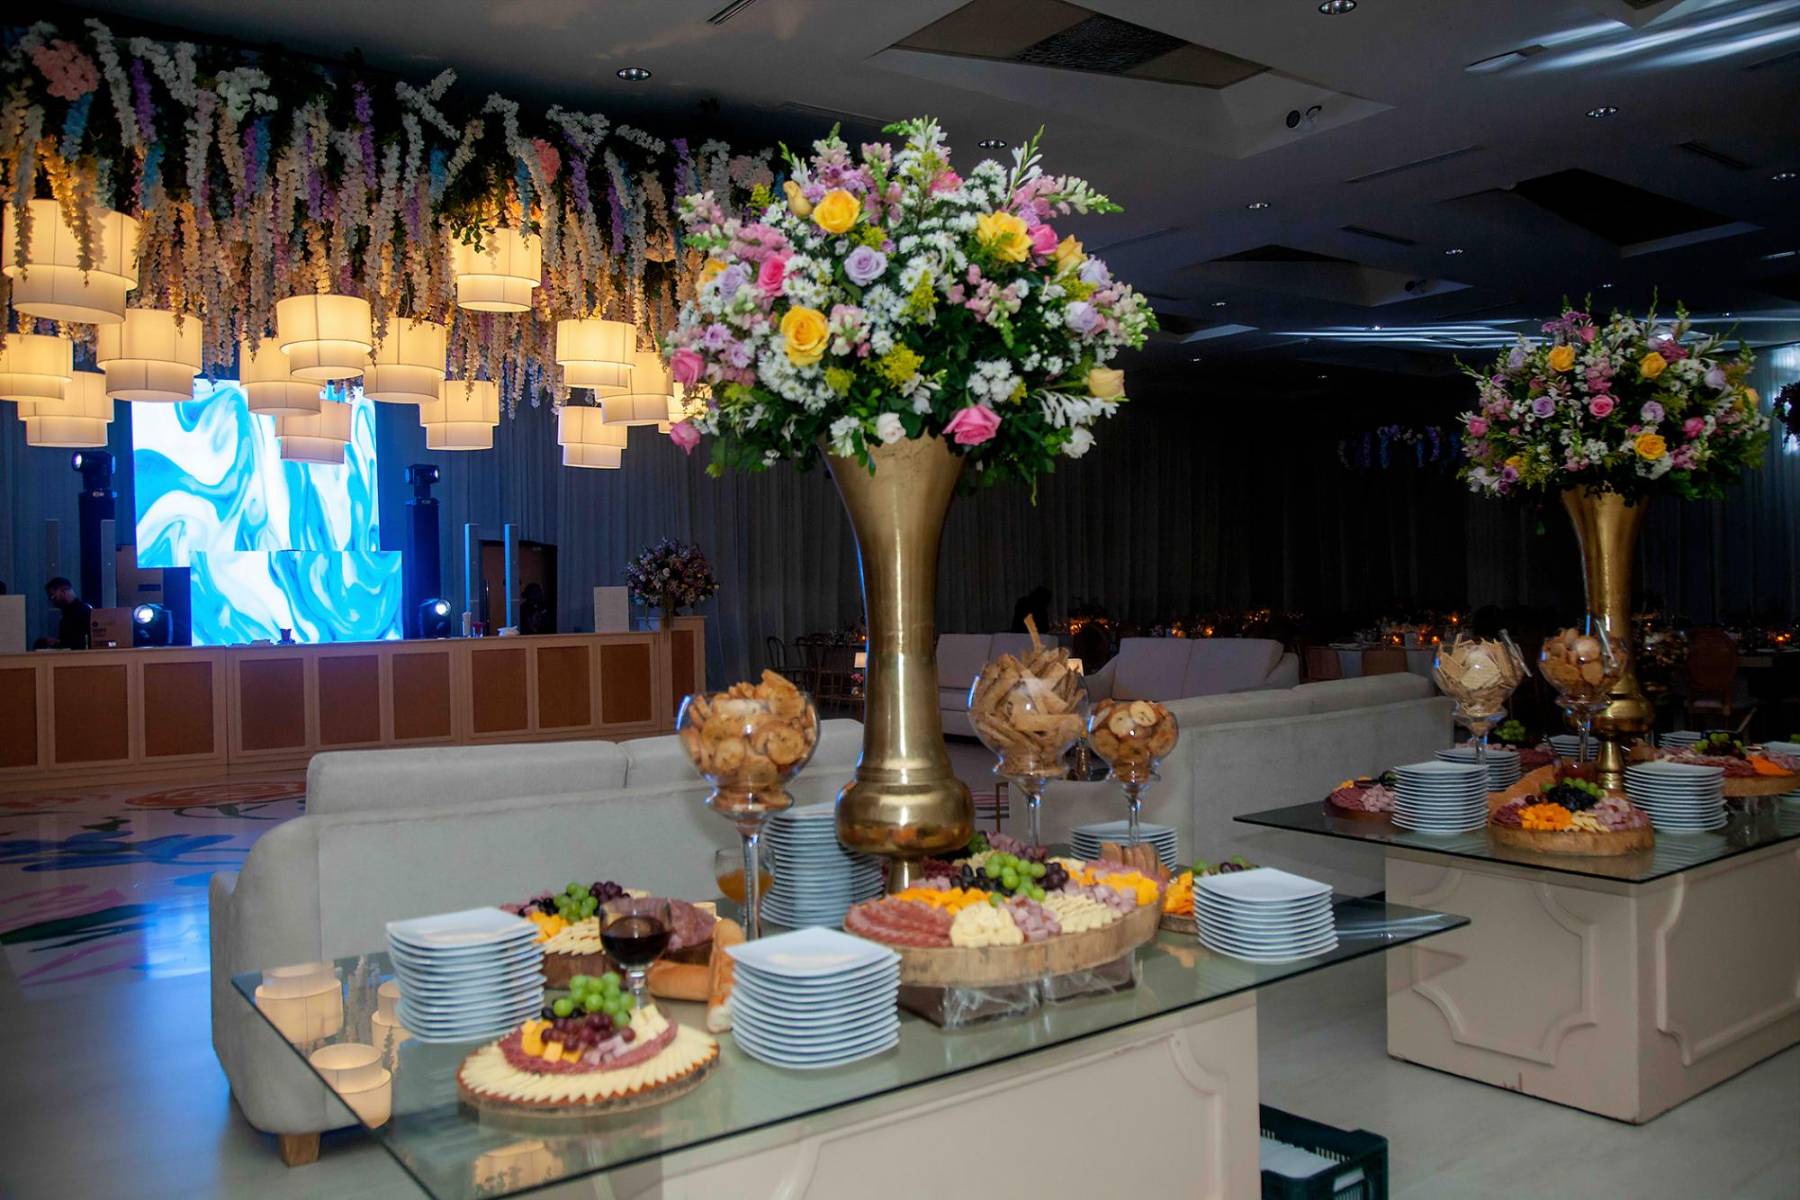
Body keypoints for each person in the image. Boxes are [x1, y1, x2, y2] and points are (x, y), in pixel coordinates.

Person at [44, 577, 92, 650]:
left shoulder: (82, 612)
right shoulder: (69, 613)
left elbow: (80, 643)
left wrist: (58, 643)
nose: (52, 601)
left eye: (53, 597)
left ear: (63, 591)